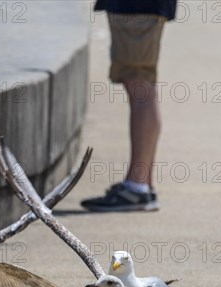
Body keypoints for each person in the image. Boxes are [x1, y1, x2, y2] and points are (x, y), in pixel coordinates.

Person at [81, 0, 177, 212]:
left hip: (137, 7)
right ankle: (142, 185)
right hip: (139, 8)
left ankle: (137, 187)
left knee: (138, 81)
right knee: (141, 82)